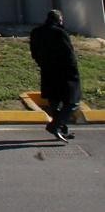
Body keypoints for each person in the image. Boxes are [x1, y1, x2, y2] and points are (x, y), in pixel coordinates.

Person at [30, 9, 81, 142]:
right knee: (72, 102)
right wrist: (74, 72)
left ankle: (61, 129)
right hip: (64, 74)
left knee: (54, 101)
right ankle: (55, 125)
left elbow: (34, 53)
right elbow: (69, 55)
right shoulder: (60, 33)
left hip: (47, 72)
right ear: (59, 20)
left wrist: (42, 63)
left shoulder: (36, 32)